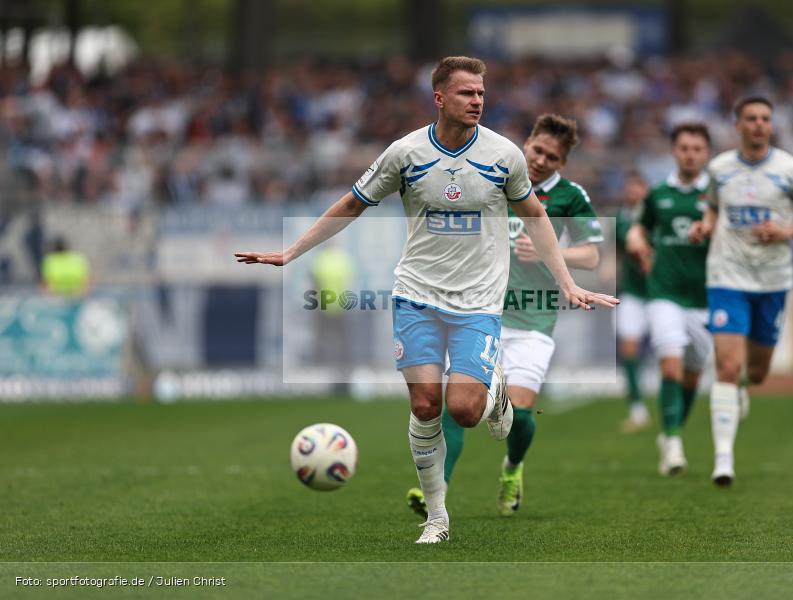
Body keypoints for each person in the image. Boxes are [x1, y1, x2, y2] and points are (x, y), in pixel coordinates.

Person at [236, 57, 618, 543]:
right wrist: (292, 251)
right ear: (440, 98)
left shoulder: (504, 156)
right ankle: (437, 518)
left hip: (478, 301)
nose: (477, 100)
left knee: (462, 409)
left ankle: (492, 398)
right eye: (466, 93)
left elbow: (537, 219)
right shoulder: (406, 153)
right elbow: (353, 202)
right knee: (423, 405)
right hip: (416, 294)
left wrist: (567, 282)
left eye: (481, 93)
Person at [407, 114, 604, 518]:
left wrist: (554, 255)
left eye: (552, 156)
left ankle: (513, 468)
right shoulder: (496, 175)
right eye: (537, 150)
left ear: (562, 163)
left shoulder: (570, 196)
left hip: (533, 319)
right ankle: (435, 491)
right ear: (526, 143)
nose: (542, 160)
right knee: (456, 408)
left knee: (519, 412)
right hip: (479, 312)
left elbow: (592, 254)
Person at [689, 97, 793, 487]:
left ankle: (743, 389)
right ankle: (724, 459)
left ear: (772, 125)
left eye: (766, 118)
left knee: (758, 372)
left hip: (772, 280)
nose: (760, 124)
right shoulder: (720, 168)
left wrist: (788, 231)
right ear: (738, 125)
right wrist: (705, 225)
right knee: (727, 367)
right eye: (752, 118)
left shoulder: (791, 169)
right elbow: (711, 208)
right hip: (726, 276)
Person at [626, 122, 712, 476]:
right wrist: (635, 239)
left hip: (706, 298)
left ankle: (669, 429)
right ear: (674, 152)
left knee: (692, 378)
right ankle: (674, 442)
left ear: (706, 153)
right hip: (664, 293)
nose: (690, 154)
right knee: (670, 365)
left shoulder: (717, 196)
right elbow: (639, 226)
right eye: (684, 148)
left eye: (697, 149)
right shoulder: (658, 193)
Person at [615, 173, 651, 432]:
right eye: (629, 187)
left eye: (636, 186)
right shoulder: (622, 218)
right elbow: (620, 249)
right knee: (628, 349)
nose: (632, 191)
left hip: (662, 293)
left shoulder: (657, 216)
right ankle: (637, 409)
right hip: (632, 293)